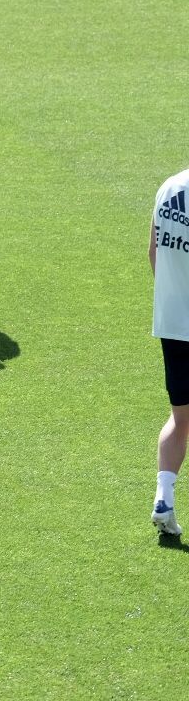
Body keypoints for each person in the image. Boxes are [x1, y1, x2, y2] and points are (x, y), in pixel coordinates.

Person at [150, 164, 189, 535]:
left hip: (172, 323)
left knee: (181, 418)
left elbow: (153, 253)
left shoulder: (168, 187)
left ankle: (164, 498)